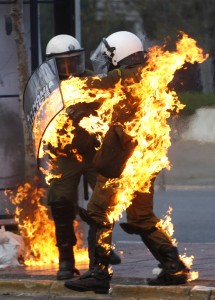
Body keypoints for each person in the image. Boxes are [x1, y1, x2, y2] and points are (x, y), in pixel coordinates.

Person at [64, 31, 190, 294]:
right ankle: (174, 266)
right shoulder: (147, 76)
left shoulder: (121, 76)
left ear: (119, 54)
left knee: (98, 212)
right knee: (141, 216)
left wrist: (66, 89)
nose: (107, 62)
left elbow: (89, 90)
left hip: (121, 159)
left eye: (109, 56)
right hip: (145, 158)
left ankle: (98, 273)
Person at [44, 34, 121, 281]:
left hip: (93, 151)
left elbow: (107, 109)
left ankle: (101, 253)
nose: (69, 67)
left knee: (104, 200)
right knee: (60, 200)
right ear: (52, 63)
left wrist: (87, 114)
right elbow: (40, 120)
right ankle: (66, 260)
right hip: (65, 153)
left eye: (73, 60)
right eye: (63, 62)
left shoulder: (91, 80)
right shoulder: (47, 86)